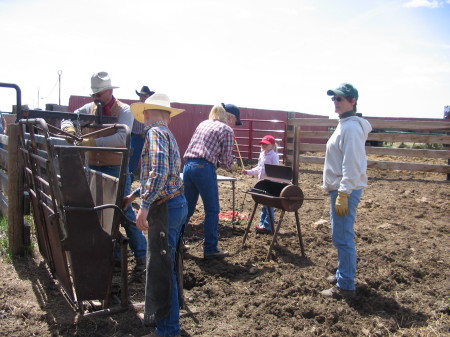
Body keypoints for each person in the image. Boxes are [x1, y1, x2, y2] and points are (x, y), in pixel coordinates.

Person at [61, 71, 147, 272]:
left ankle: (142, 255)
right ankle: (114, 255)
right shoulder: (89, 108)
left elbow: (121, 138)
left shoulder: (123, 110)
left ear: (109, 91)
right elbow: (67, 118)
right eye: (94, 94)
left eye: (99, 94)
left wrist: (91, 142)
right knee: (102, 212)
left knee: (123, 210)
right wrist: (70, 129)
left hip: (116, 167)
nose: (96, 98)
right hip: (94, 166)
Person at [125, 93, 187, 337]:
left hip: (165, 207)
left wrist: (145, 204)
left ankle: (168, 331)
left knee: (162, 271)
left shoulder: (154, 133)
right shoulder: (167, 134)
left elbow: (159, 171)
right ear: (168, 116)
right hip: (176, 203)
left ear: (147, 113)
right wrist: (135, 194)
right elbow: (166, 173)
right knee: (167, 266)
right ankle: (168, 326)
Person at [321, 83, 372, 299]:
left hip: (346, 191)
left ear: (353, 101)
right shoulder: (344, 125)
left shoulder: (350, 128)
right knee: (340, 234)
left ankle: (346, 285)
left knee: (343, 237)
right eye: (334, 98)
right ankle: (344, 274)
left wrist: (343, 192)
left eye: (340, 99)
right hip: (341, 189)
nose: (336, 102)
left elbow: (351, 163)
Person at [183, 103, 242, 259]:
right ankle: (210, 248)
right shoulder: (226, 130)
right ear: (230, 117)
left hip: (188, 166)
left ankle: (176, 243)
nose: (235, 124)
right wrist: (233, 166)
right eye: (236, 120)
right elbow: (226, 161)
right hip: (204, 168)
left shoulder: (203, 123)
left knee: (187, 208)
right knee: (212, 210)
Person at [243, 134, 280, 234]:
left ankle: (268, 226)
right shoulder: (262, 154)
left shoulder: (274, 156)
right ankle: (262, 224)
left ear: (272, 145)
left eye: (266, 144)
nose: (263, 146)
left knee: (269, 205)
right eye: (262, 144)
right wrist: (249, 172)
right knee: (264, 204)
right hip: (262, 183)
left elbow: (276, 170)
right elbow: (258, 168)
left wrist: (271, 180)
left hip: (270, 183)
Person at [129, 86, 155, 181]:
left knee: (150, 161)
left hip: (148, 138)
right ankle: (129, 180)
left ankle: (148, 181)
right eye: (141, 95)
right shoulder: (134, 108)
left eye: (145, 96)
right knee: (132, 162)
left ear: (149, 96)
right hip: (136, 137)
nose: (142, 97)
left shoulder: (152, 108)